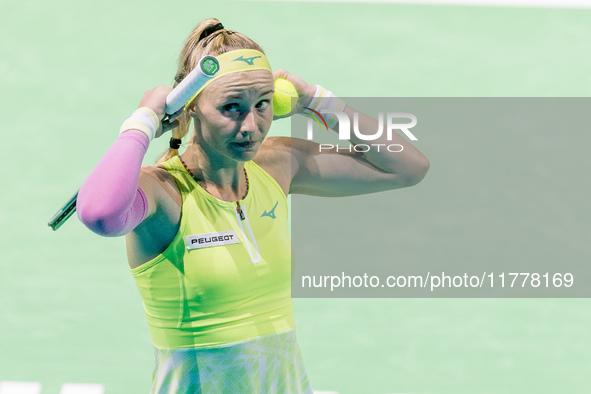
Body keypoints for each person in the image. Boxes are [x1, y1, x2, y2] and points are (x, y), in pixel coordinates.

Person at [76, 18, 429, 394]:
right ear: (190, 107)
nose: (252, 126)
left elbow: (407, 166)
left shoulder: (275, 167)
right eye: (231, 107)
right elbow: (101, 214)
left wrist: (317, 101)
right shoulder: (164, 192)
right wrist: (142, 122)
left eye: (262, 104)